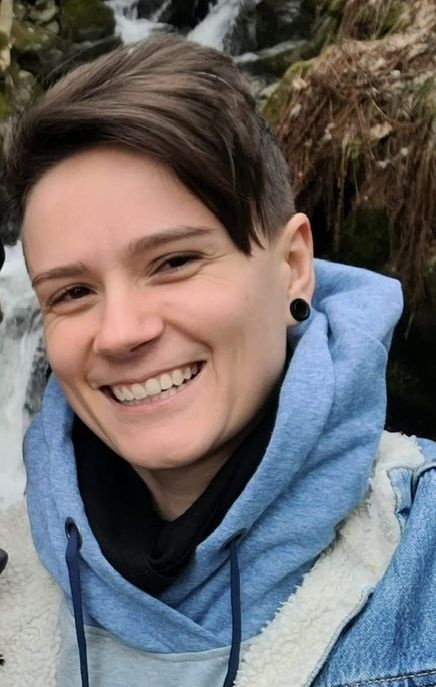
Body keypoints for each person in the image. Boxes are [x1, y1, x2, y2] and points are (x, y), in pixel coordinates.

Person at [1, 34, 436, 687]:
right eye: (72, 292)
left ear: (293, 266)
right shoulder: (13, 574)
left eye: (174, 261)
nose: (120, 333)